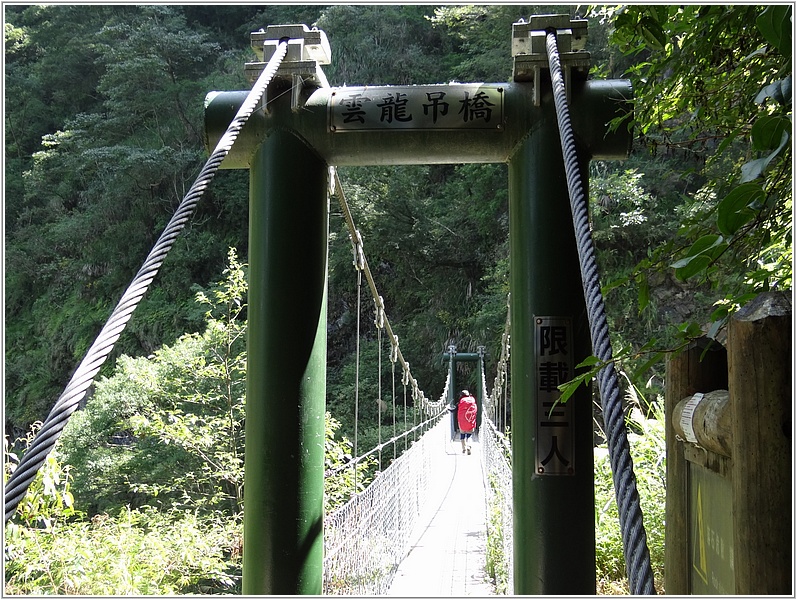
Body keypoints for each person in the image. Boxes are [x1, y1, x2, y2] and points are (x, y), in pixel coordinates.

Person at [456, 390, 477, 454]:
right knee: (469, 435)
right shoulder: (472, 400)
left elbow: (455, 409)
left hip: (462, 421)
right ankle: (469, 446)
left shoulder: (461, 401)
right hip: (470, 421)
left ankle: (463, 448)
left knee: (462, 434)